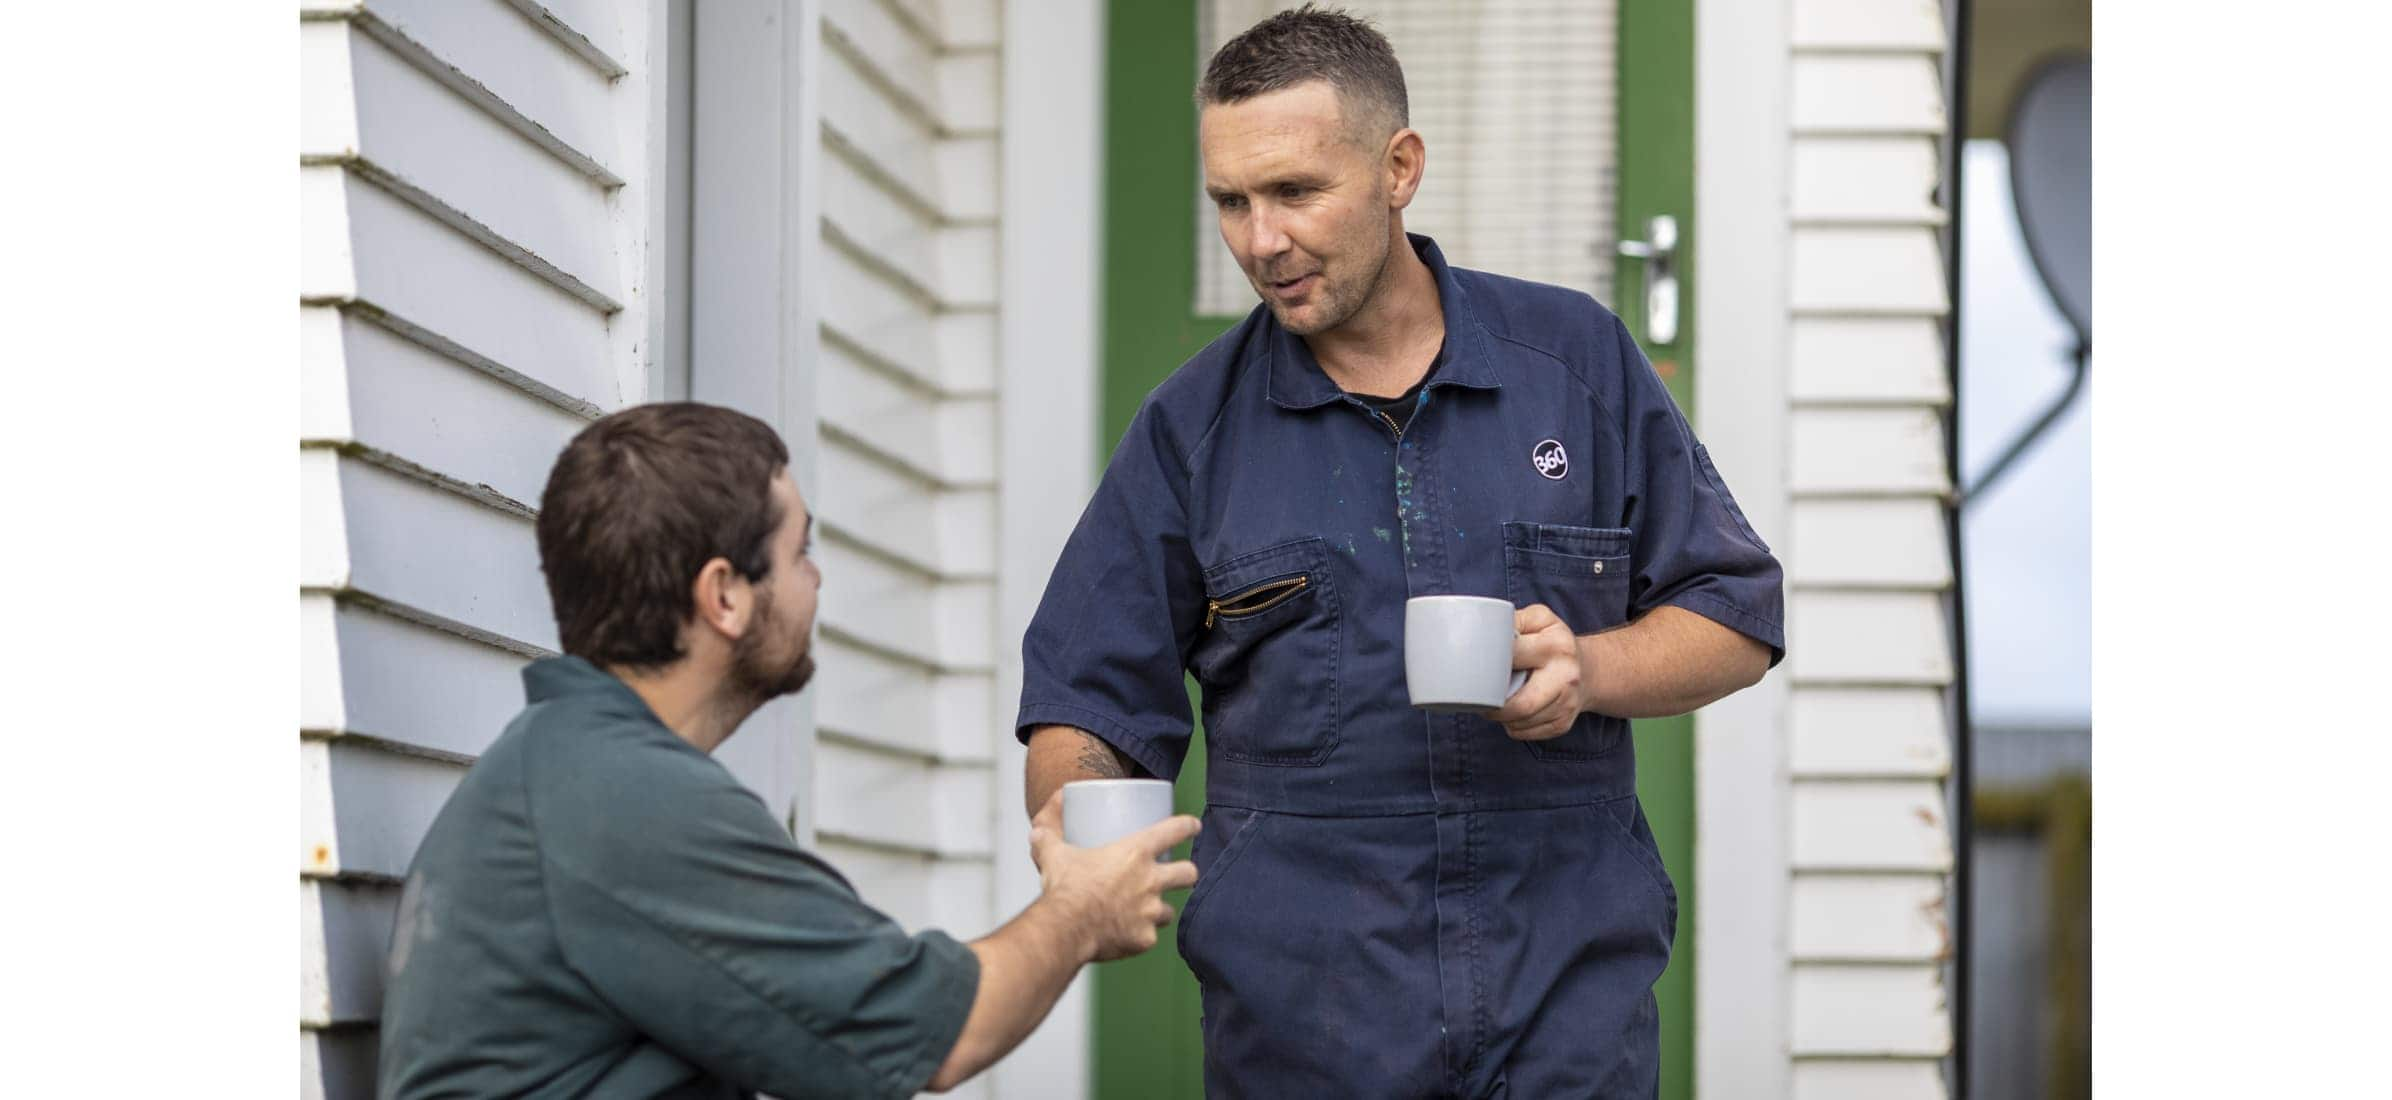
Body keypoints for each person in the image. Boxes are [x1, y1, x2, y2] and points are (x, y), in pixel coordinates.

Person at [1016, 7, 1784, 1097]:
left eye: (1293, 192)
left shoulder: (1573, 363)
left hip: (1569, 1009)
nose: (1259, 239)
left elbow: (1736, 614)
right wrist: (1074, 820)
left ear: (1398, 167)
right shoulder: (1189, 430)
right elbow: (1085, 702)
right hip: (1305, 1025)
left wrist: (1591, 670)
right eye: (1230, 202)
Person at [379, 402, 1199, 1099]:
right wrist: (1081, 909)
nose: (816, 580)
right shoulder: (620, 799)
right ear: (725, 595)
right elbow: (936, 1033)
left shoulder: (577, 770)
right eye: (799, 551)